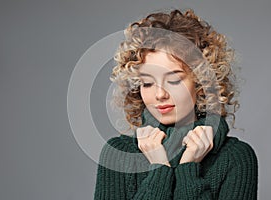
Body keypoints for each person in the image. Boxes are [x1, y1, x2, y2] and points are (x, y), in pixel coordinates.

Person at [94, 9, 258, 200]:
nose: (160, 94)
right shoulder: (118, 154)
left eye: (173, 81)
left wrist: (188, 169)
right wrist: (159, 170)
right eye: (147, 83)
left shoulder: (236, 158)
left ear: (200, 83)